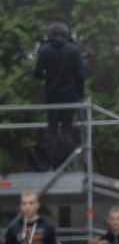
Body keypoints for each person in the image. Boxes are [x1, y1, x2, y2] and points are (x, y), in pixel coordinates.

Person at [34, 22, 86, 169]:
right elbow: (81, 75)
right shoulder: (74, 51)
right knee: (65, 129)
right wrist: (79, 92)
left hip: (51, 94)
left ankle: (51, 161)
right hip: (70, 95)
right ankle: (62, 163)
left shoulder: (45, 51)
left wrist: (50, 77)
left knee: (52, 128)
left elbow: (37, 73)